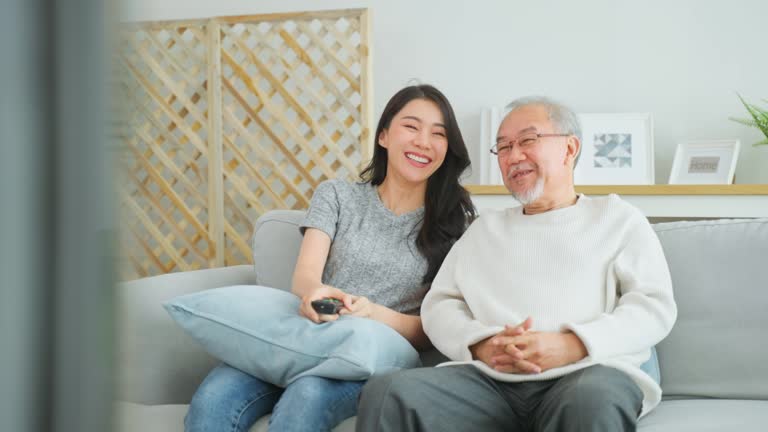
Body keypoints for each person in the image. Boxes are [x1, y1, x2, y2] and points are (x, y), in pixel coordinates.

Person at [356, 96, 678, 432]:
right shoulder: (485, 229)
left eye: (527, 140)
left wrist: (572, 345)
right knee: (389, 392)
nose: (514, 156)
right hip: (488, 383)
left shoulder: (617, 219)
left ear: (569, 149)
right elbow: (439, 305)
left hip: (585, 375)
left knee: (591, 401)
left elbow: (653, 306)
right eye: (503, 147)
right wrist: (480, 345)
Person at [184, 84, 476, 432]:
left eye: (438, 134)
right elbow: (306, 275)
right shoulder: (337, 195)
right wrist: (313, 294)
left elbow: (434, 326)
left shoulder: (456, 224)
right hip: (302, 337)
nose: (424, 142)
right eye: (411, 127)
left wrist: (373, 313)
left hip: (369, 358)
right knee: (212, 400)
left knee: (306, 396)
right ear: (384, 135)